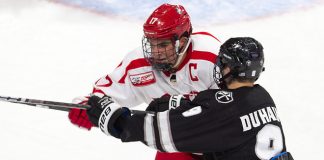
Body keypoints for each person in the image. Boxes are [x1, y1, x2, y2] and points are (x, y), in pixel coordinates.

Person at [85, 37, 294, 160]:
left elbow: (161, 133)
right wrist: (182, 105)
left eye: (222, 62)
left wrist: (113, 118)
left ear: (231, 68)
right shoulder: (263, 97)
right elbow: (222, 120)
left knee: (170, 154)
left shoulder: (222, 109)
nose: (218, 66)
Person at [68, 3, 221, 160]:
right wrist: (87, 106)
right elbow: (105, 93)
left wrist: (187, 107)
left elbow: (238, 107)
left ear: (182, 41)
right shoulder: (138, 64)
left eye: (163, 44)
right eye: (151, 43)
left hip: (224, 144)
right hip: (183, 145)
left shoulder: (212, 58)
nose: (155, 52)